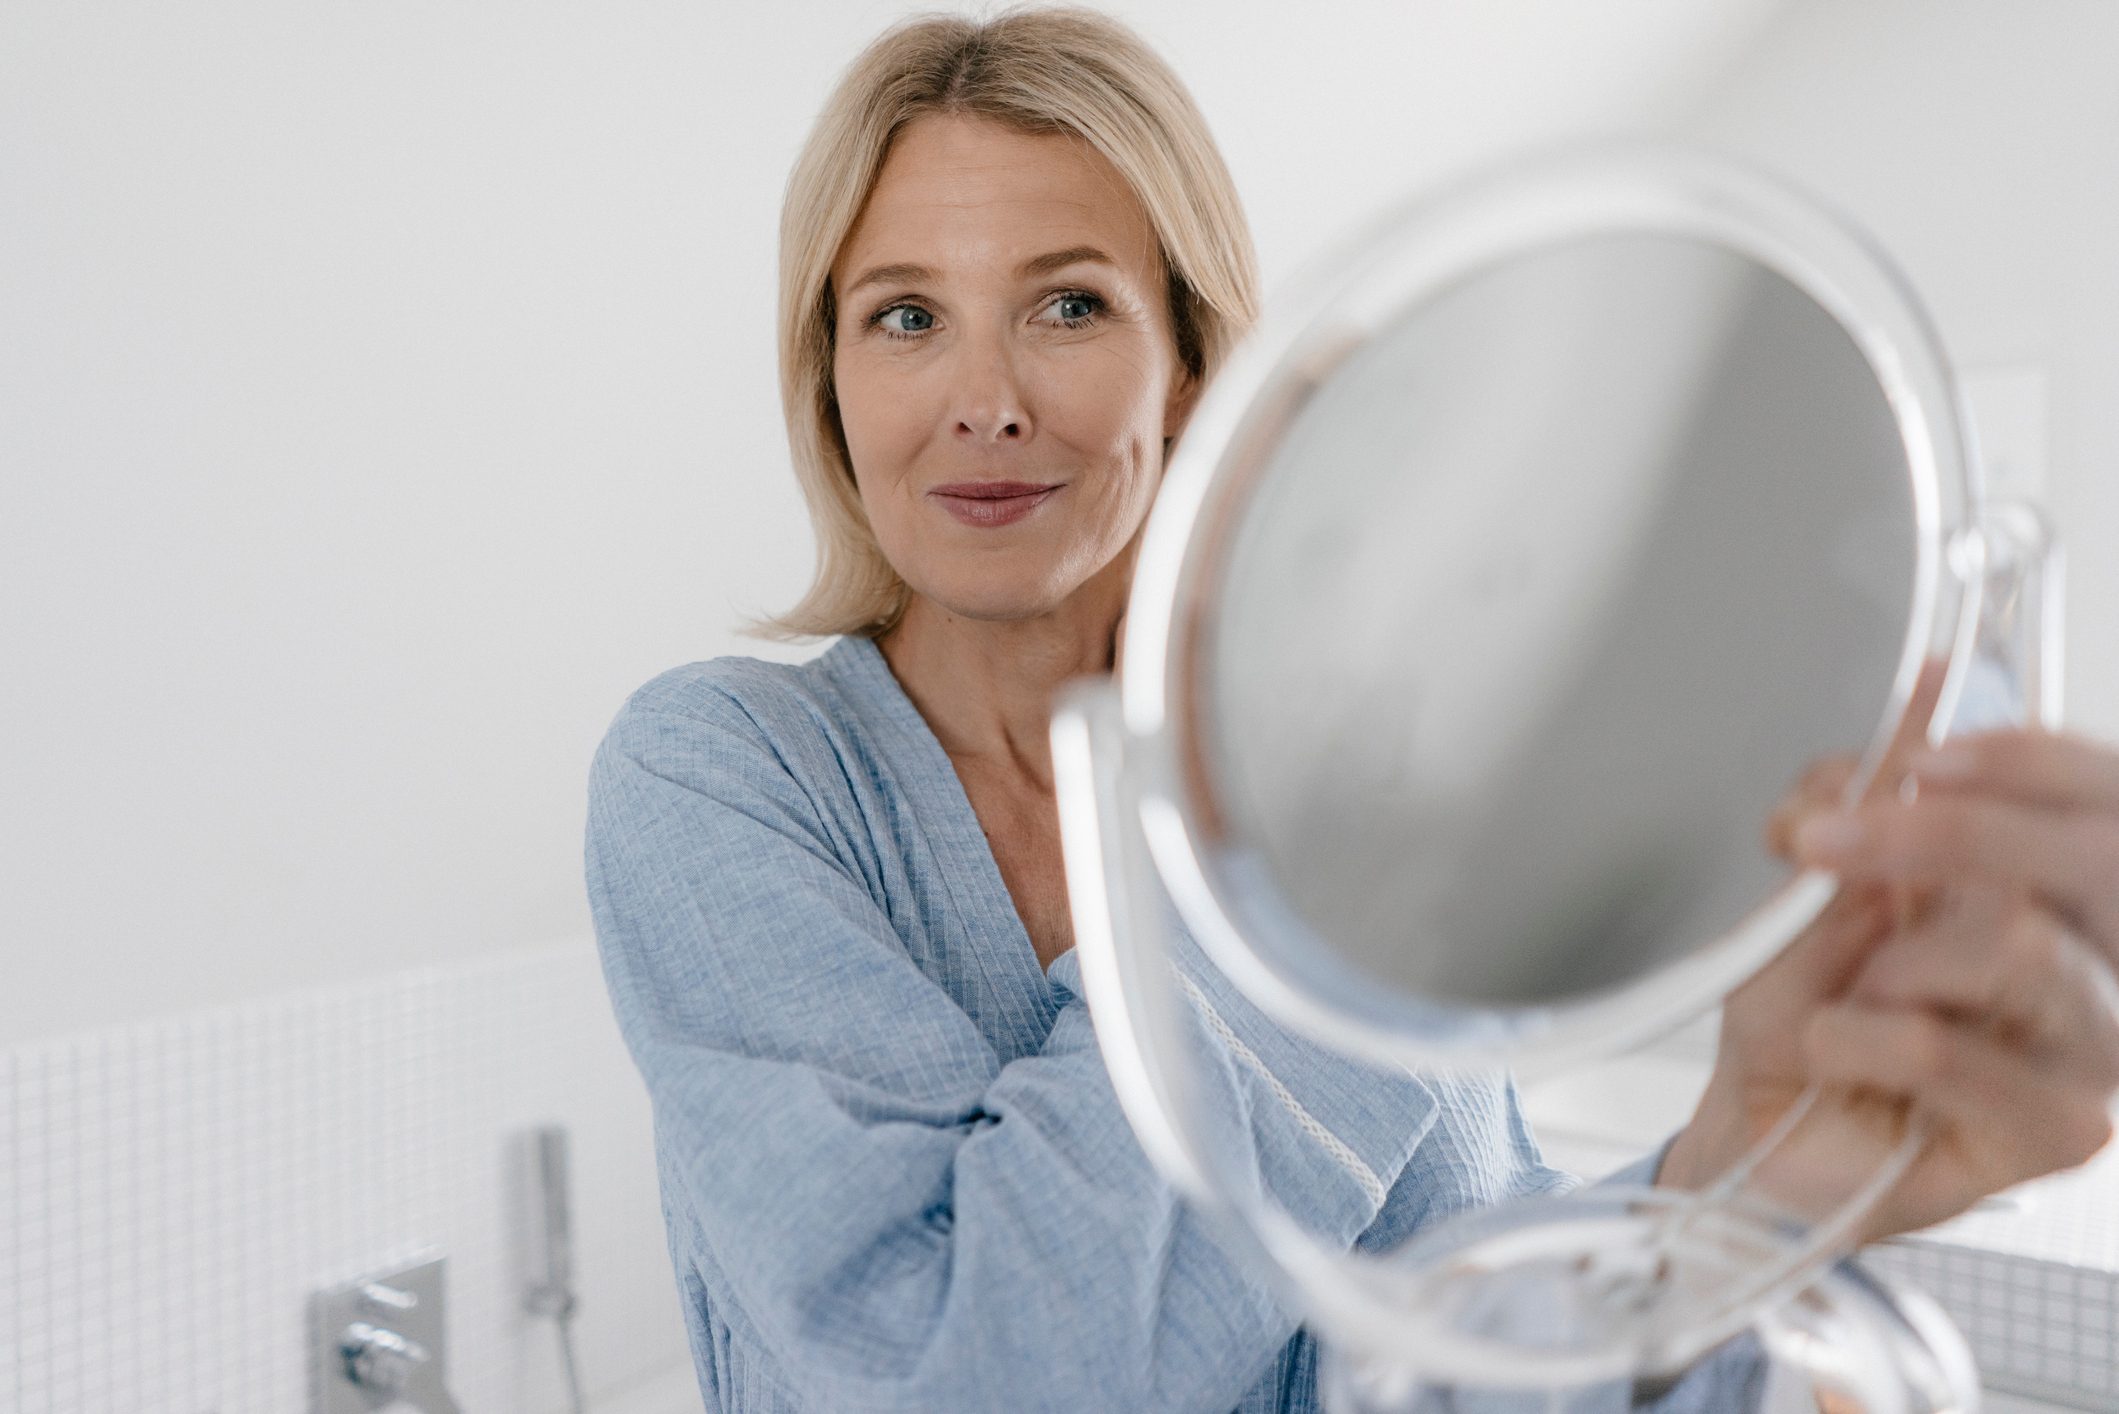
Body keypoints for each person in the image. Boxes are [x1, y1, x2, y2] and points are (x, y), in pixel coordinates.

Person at [584, 9, 2119, 1410]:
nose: (985, 397)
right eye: (905, 318)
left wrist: (1747, 1175)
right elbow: (963, 1383)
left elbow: (1426, 1365)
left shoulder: (1351, 819)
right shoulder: (721, 775)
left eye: (1065, 306)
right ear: (832, 387)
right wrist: (1303, 853)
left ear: (1189, 367)